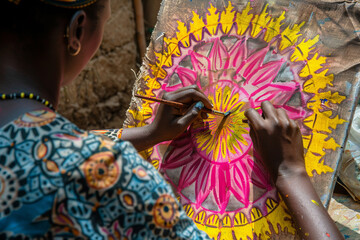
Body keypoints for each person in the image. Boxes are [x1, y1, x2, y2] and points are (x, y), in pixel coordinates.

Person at [0, 0, 344, 239]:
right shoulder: (110, 178)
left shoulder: (26, 142)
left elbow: (43, 146)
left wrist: (150, 134)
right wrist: (291, 175)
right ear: (77, 31)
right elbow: (71, 158)